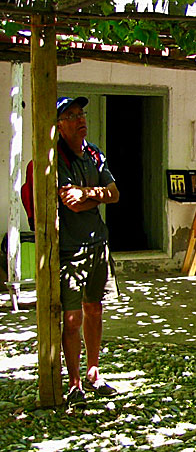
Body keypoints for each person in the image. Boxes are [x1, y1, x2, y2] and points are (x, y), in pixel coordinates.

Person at [55, 96, 121, 405]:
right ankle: (74, 382)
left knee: (94, 309)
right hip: (70, 250)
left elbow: (115, 193)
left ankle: (94, 373)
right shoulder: (56, 159)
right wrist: (96, 195)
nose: (80, 119)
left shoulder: (94, 154)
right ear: (59, 125)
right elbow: (72, 203)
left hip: (98, 245)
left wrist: (87, 193)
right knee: (71, 318)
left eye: (81, 113)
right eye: (72, 115)